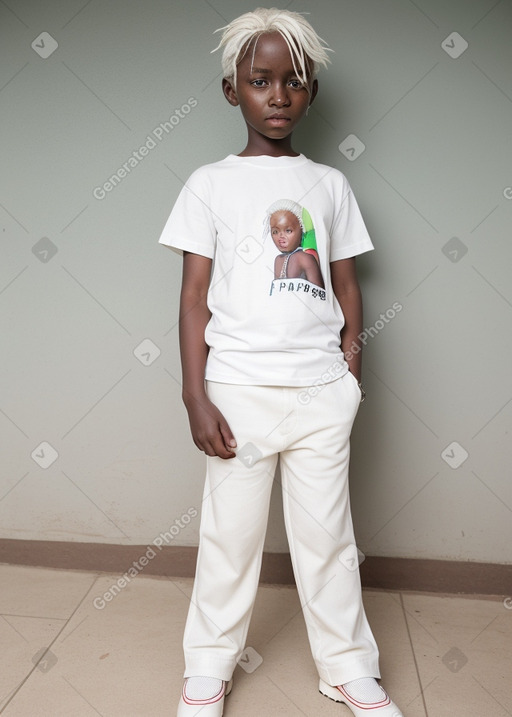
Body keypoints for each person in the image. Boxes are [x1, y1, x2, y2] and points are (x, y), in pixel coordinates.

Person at [158, 8, 403, 717]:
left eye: (293, 81)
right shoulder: (209, 183)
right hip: (237, 393)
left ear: (312, 92)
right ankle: (207, 667)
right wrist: (194, 394)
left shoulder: (329, 185)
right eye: (259, 80)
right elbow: (193, 296)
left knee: (329, 540)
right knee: (228, 538)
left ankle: (349, 668)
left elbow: (349, 287)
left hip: (321, 393)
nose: (277, 95)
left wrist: (350, 376)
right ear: (232, 89)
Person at [268, 200, 325, 287]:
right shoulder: (278, 260)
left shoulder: (304, 258)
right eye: (275, 232)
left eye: (288, 231)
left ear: (301, 230)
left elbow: (319, 296)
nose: (281, 236)